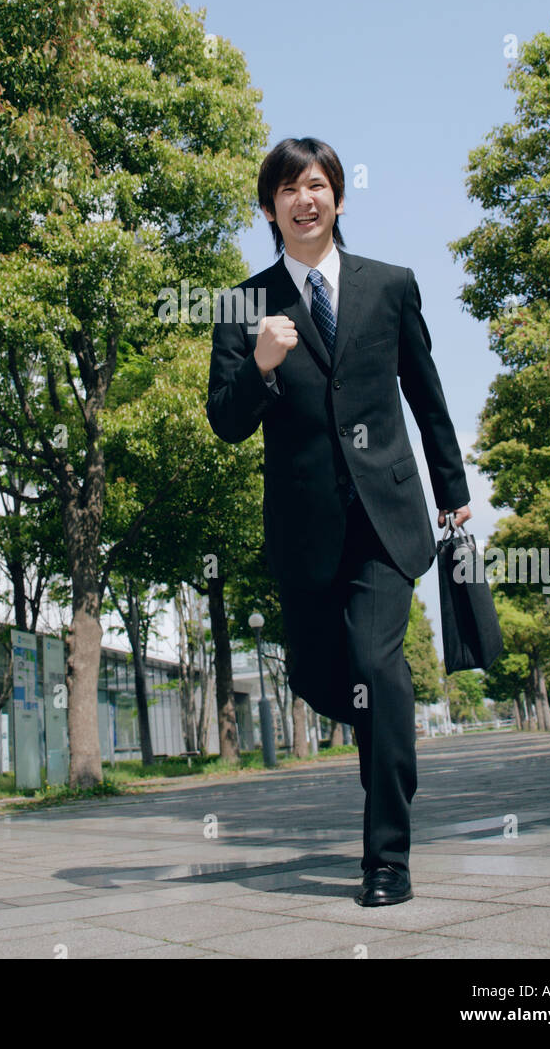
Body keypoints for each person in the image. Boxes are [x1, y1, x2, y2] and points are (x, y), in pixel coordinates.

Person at [205, 137, 471, 906]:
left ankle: (387, 857)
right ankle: (378, 732)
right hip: (304, 527)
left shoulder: (391, 287)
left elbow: (427, 394)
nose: (303, 198)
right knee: (326, 676)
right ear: (269, 210)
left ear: (339, 199)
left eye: (316, 184)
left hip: (385, 519)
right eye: (287, 189)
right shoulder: (243, 306)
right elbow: (225, 422)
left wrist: (451, 487)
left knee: (382, 670)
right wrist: (257, 366)